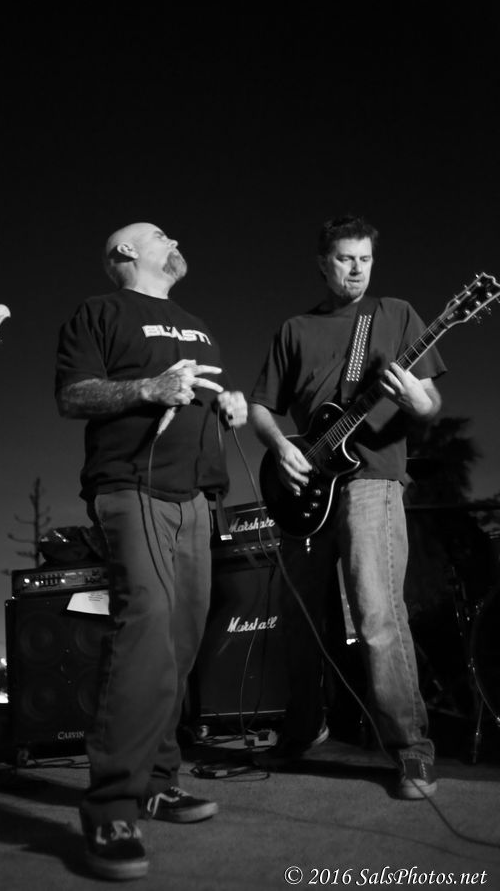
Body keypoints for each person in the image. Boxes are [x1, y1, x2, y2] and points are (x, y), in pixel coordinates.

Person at [55, 222, 247, 881]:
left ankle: (160, 781)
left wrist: (229, 405)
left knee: (180, 642)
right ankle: (111, 805)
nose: (174, 239)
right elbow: (73, 394)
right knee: (145, 629)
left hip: (196, 500)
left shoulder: (197, 323)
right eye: (159, 234)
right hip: (131, 487)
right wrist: (147, 389)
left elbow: (210, 392)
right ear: (126, 252)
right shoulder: (99, 312)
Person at [248, 215, 445, 800]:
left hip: (372, 480)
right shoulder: (295, 328)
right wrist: (281, 447)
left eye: (365, 259)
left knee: (377, 615)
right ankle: (305, 727)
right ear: (322, 263)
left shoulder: (396, 314)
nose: (356, 269)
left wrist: (415, 399)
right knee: (301, 620)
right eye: (344, 258)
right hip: (306, 490)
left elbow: (430, 401)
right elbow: (261, 407)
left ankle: (411, 750)